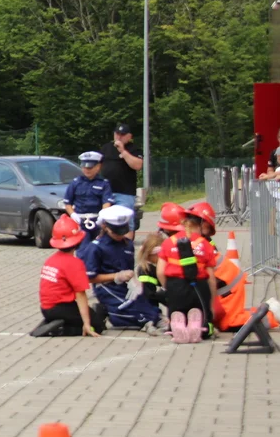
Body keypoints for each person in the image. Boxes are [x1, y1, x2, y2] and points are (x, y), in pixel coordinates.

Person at [82, 205, 164, 335]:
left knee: (147, 304)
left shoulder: (128, 245)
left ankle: (154, 319)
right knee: (128, 308)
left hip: (126, 286)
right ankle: (143, 321)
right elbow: (89, 277)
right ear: (104, 226)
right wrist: (116, 276)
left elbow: (129, 270)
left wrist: (134, 280)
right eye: (116, 231)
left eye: (122, 231)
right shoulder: (95, 248)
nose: (120, 235)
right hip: (106, 287)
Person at [31, 215, 106, 338]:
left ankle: (53, 321)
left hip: (46, 308)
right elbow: (80, 295)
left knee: (88, 314)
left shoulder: (51, 260)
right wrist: (87, 323)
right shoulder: (75, 263)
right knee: (98, 326)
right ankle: (60, 329)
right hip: (61, 308)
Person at [157, 210, 218, 343]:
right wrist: (211, 304)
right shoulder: (206, 245)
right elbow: (211, 279)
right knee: (203, 316)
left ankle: (177, 323)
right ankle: (198, 324)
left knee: (177, 309)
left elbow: (160, 272)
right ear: (202, 225)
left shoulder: (169, 242)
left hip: (175, 286)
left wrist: (169, 288)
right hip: (199, 287)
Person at [100, 124, 144, 232]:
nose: (119, 137)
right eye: (117, 134)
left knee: (126, 222)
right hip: (107, 192)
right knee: (105, 220)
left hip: (125, 192)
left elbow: (137, 165)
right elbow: (98, 166)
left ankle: (126, 246)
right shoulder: (106, 148)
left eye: (122, 135)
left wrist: (123, 151)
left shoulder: (134, 149)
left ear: (129, 136)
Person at [64, 151, 113, 241]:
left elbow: (107, 202)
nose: (87, 170)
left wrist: (102, 217)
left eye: (90, 167)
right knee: (82, 249)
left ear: (98, 167)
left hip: (97, 221)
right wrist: (73, 215)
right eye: (84, 167)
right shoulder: (75, 183)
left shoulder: (104, 183)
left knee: (98, 247)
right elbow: (67, 202)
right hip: (80, 220)